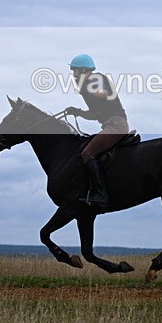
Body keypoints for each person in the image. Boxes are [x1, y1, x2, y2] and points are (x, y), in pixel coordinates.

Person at [63, 54, 129, 209]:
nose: (73, 75)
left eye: (75, 71)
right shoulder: (87, 87)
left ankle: (100, 194)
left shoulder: (95, 79)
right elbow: (94, 115)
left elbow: (104, 93)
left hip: (116, 124)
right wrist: (77, 112)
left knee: (87, 153)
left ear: (84, 70)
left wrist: (91, 91)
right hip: (109, 124)